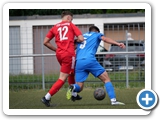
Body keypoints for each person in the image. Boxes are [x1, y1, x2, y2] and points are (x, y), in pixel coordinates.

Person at [66, 26, 125, 105]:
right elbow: (105, 39)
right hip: (89, 60)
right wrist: (118, 43)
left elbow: (73, 47)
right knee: (106, 79)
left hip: (79, 61)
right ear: (97, 31)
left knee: (79, 87)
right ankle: (113, 101)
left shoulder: (81, 37)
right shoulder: (97, 34)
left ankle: (73, 87)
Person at [41, 11, 84, 107]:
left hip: (60, 54)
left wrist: (56, 50)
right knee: (62, 78)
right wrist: (75, 41)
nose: (71, 21)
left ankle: (74, 94)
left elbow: (45, 42)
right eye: (71, 19)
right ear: (69, 17)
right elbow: (81, 39)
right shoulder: (71, 25)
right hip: (69, 54)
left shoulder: (55, 27)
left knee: (71, 72)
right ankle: (46, 97)